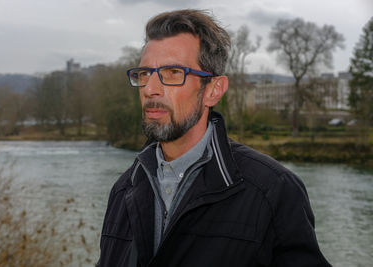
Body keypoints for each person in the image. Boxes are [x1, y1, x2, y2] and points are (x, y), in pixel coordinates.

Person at [97, 9, 331, 267]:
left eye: (173, 73)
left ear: (213, 90)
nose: (150, 89)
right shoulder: (123, 190)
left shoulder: (273, 192)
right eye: (144, 74)